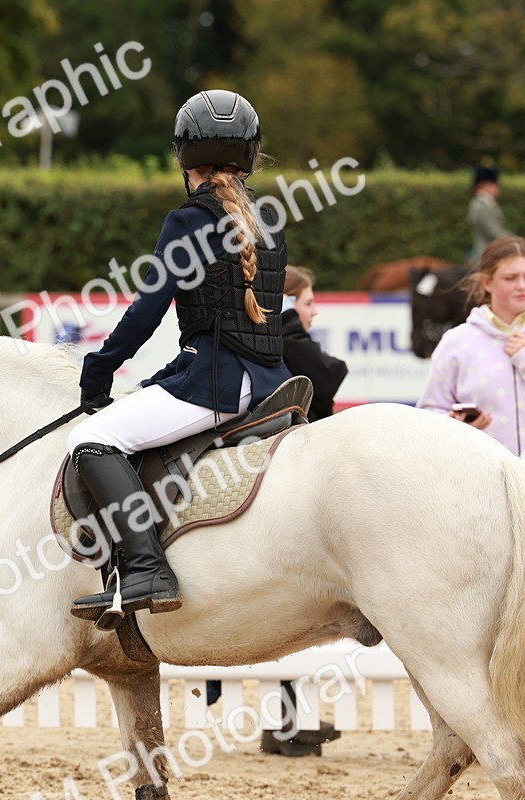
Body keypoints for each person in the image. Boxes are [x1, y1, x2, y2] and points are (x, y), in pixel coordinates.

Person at [65, 90, 290, 627]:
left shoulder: (186, 220)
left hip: (218, 385)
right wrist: (159, 378)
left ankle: (146, 568)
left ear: (184, 158)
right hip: (271, 381)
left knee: (91, 440)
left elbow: (146, 314)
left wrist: (97, 374)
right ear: (251, 155)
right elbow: (228, 329)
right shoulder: (268, 222)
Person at [418, 235, 525, 460]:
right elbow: (428, 416)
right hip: (480, 482)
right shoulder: (456, 342)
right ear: (487, 282)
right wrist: (455, 426)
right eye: (510, 278)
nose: (522, 286)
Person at [279, 266, 348, 421]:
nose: (314, 311)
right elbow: (329, 374)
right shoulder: (287, 338)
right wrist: (288, 321)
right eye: (308, 303)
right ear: (286, 302)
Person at [466, 165, 512, 266]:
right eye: (495, 185)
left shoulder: (485, 203)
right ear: (485, 185)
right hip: (485, 254)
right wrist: (514, 241)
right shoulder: (482, 206)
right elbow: (494, 231)